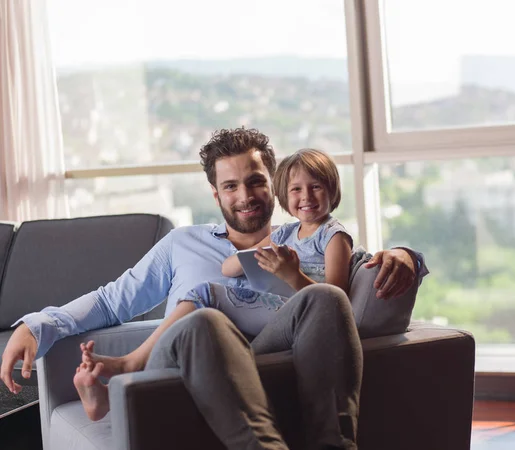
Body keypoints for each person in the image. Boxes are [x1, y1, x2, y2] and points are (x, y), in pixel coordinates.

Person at [1, 128, 427, 449]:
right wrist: (38, 324)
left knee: (323, 296)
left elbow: (350, 271)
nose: (246, 196)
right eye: (230, 186)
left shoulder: (301, 240)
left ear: (274, 182)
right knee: (205, 319)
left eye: (256, 181)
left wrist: (408, 255)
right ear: (215, 193)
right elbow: (112, 300)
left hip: (266, 359)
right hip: (182, 359)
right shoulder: (183, 243)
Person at [74, 148, 354, 421]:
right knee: (204, 295)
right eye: (296, 190)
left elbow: (333, 302)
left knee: (206, 295)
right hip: (271, 314)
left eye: (315, 187)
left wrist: (291, 274)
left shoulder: (333, 236)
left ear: (332, 190)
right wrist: (251, 258)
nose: (306, 197)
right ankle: (114, 393)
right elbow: (228, 267)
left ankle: (130, 364)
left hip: (294, 317)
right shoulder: (287, 232)